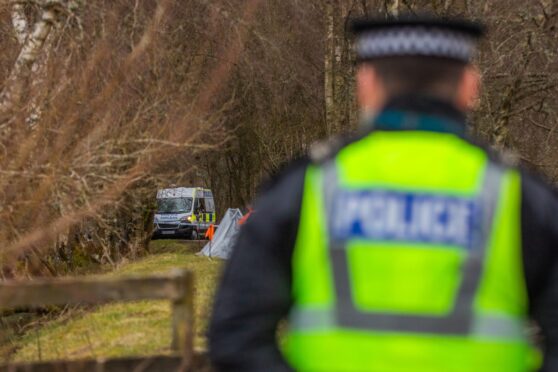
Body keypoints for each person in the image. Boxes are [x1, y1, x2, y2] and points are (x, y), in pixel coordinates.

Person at [209, 14, 558, 372]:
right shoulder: (519, 195)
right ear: (470, 87)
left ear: (366, 85)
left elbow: (235, 335)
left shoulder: (307, 187)